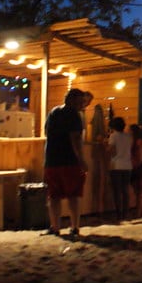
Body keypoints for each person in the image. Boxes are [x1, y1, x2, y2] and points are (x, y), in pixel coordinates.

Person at [44, 88, 90, 238]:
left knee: (54, 196)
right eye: (81, 101)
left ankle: (55, 227)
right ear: (73, 100)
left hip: (51, 159)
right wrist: (82, 160)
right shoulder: (74, 115)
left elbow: (47, 133)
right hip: (70, 161)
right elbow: (75, 139)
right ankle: (74, 226)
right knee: (73, 195)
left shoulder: (53, 112)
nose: (83, 105)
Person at [106, 116, 132, 222]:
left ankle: (119, 214)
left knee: (117, 191)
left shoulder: (113, 136)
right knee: (125, 190)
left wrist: (104, 144)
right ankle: (126, 213)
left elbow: (111, 150)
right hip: (127, 165)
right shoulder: (128, 136)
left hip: (116, 165)